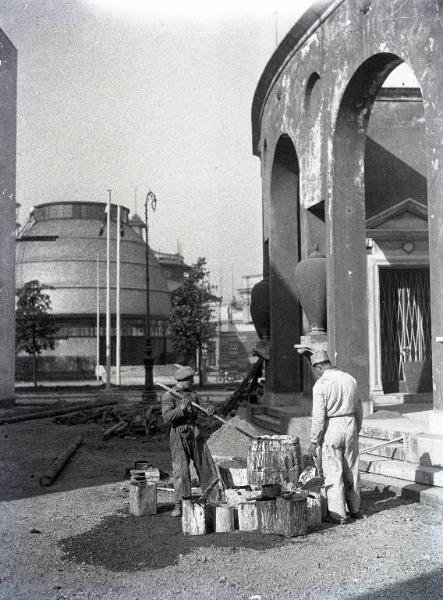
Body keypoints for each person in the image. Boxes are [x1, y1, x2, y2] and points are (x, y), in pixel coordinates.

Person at [307, 350, 364, 524]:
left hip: (332, 426)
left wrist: (314, 440)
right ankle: (355, 509)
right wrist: (356, 429)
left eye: (315, 368)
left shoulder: (321, 384)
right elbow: (359, 407)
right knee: (352, 469)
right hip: (350, 423)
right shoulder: (349, 379)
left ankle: (338, 513)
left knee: (333, 470)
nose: (316, 371)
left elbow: (318, 416)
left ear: (318, 366)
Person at [161, 365, 220, 517]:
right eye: (191, 379)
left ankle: (213, 500)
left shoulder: (192, 394)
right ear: (183, 380)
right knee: (181, 471)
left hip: (195, 433)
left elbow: (202, 406)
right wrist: (181, 408)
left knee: (206, 465)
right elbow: (166, 417)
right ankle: (180, 505)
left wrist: (209, 408)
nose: (193, 381)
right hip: (178, 434)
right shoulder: (169, 396)